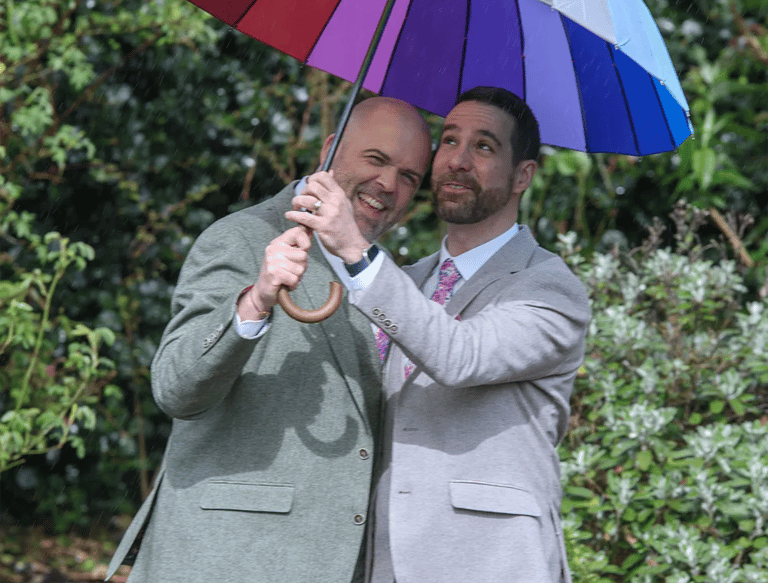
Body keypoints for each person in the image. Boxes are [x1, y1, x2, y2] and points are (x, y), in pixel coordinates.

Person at [105, 97, 432, 583]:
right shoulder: (241, 238)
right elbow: (175, 388)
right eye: (376, 159)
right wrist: (255, 300)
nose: (388, 184)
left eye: (408, 176)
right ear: (329, 150)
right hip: (226, 559)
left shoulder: (387, 278)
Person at [291, 86, 591, 583]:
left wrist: (354, 248)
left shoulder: (551, 289)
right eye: (449, 141)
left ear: (524, 175)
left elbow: (460, 355)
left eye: (484, 146)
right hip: (382, 563)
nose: (457, 160)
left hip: (492, 563)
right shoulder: (402, 284)